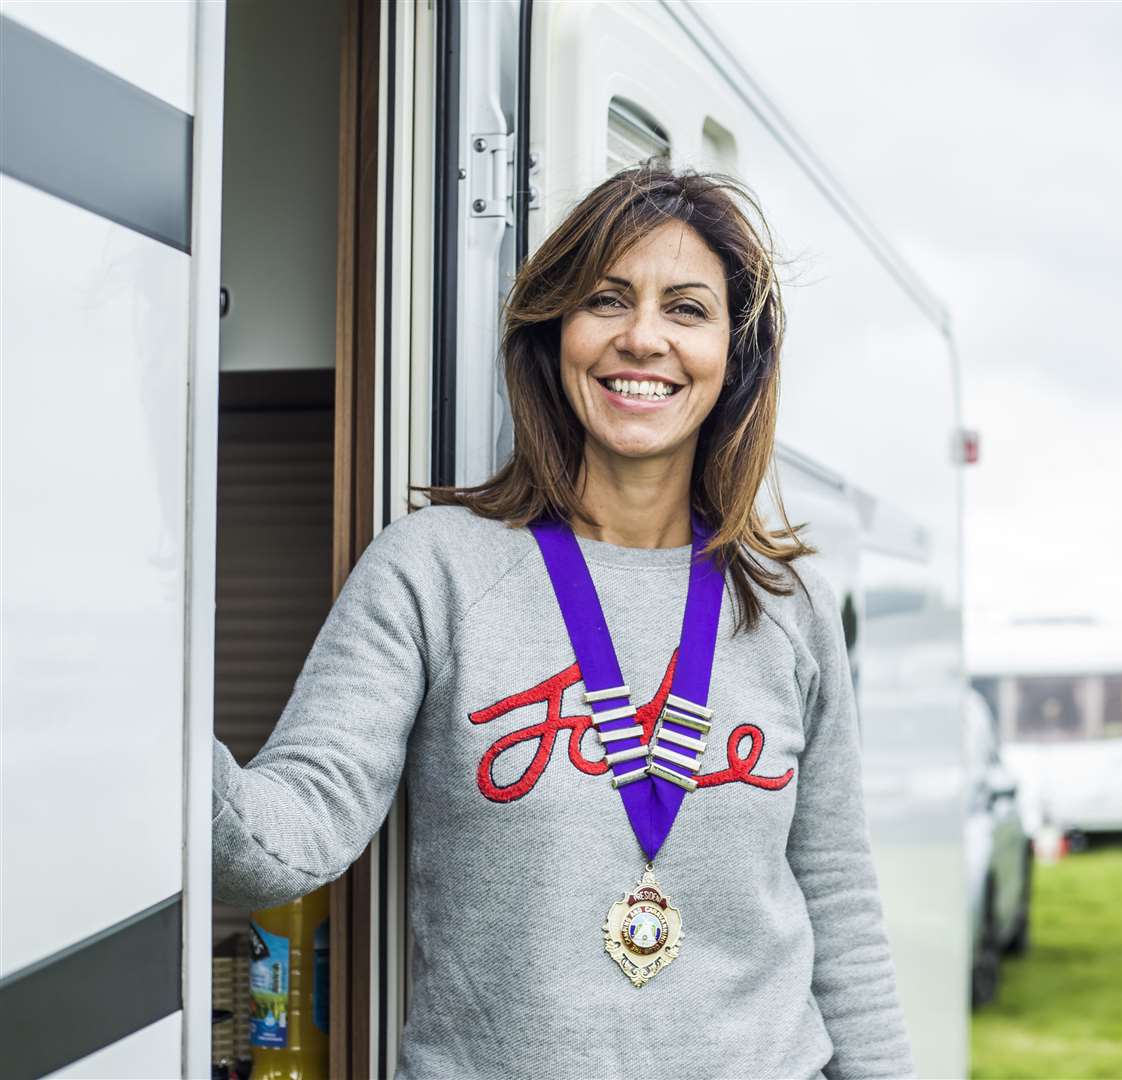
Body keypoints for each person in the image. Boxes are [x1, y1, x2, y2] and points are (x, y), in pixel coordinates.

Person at [212, 162, 915, 1079]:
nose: (643, 338)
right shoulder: (436, 567)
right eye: (607, 300)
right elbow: (289, 834)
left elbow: (839, 904)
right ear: (557, 336)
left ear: (733, 360)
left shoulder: (784, 603)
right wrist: (145, 720)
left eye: (688, 310)